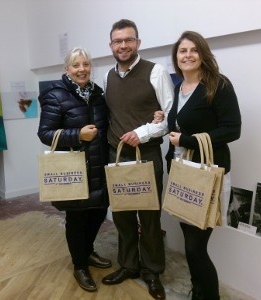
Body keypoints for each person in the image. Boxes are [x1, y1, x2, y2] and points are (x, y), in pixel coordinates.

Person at [165, 31, 241, 300]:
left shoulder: (218, 85)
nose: (187, 55)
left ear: (203, 54)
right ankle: (198, 290)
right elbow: (184, 122)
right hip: (184, 173)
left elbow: (232, 130)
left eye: (193, 50)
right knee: (189, 243)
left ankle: (208, 296)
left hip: (207, 175)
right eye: (182, 51)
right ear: (176, 58)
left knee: (196, 248)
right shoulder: (179, 88)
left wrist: (186, 139)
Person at [101, 19, 174, 300]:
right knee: (121, 215)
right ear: (111, 45)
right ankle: (129, 265)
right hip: (115, 156)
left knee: (149, 215)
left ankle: (152, 271)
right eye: (118, 41)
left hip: (146, 154)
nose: (123, 45)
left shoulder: (155, 72)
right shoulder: (107, 76)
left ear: (138, 43)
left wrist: (142, 133)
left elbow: (168, 117)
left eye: (128, 40)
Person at [37, 47, 111, 292]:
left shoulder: (98, 94)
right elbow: (45, 134)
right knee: (77, 220)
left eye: (86, 64)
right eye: (76, 65)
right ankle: (80, 264)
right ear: (67, 69)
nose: (82, 69)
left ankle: (88, 252)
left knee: (98, 213)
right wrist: (77, 135)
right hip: (74, 170)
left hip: (99, 167)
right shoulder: (56, 95)